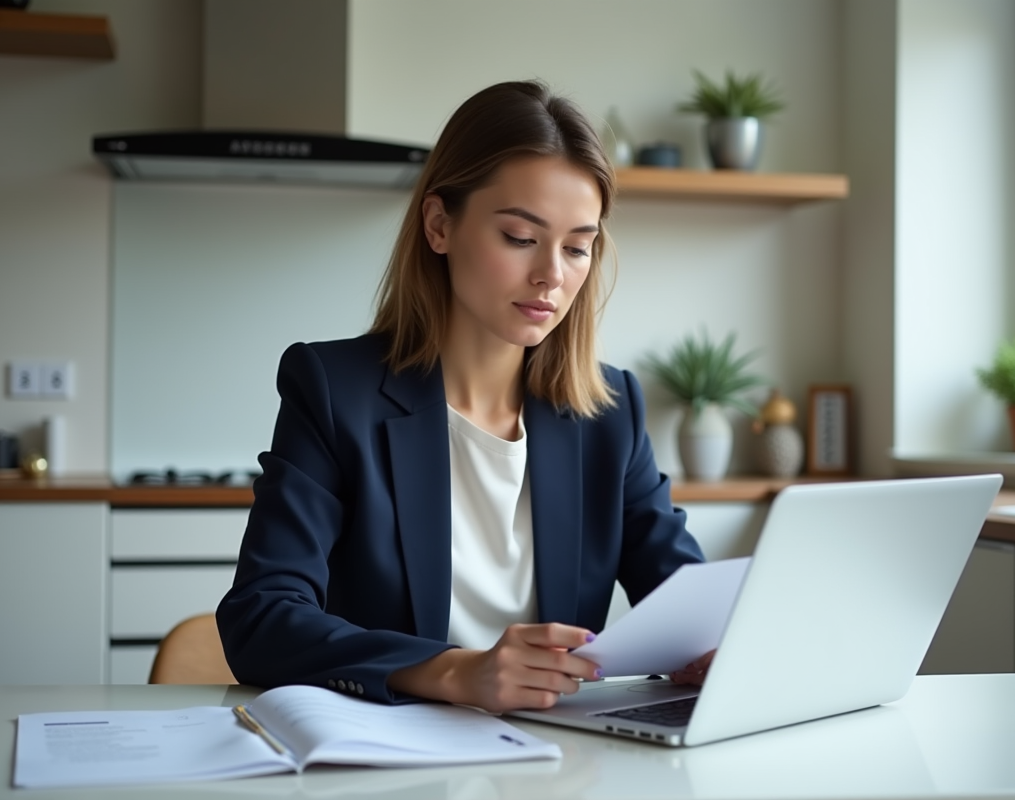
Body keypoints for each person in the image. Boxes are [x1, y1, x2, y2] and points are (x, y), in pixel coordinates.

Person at [217, 80, 708, 713]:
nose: (552, 276)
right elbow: (261, 616)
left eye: (577, 247)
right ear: (440, 224)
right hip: (388, 760)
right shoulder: (334, 390)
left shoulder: (610, 410)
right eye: (520, 238)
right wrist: (451, 672)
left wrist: (715, 646)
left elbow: (689, 606)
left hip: (558, 760)